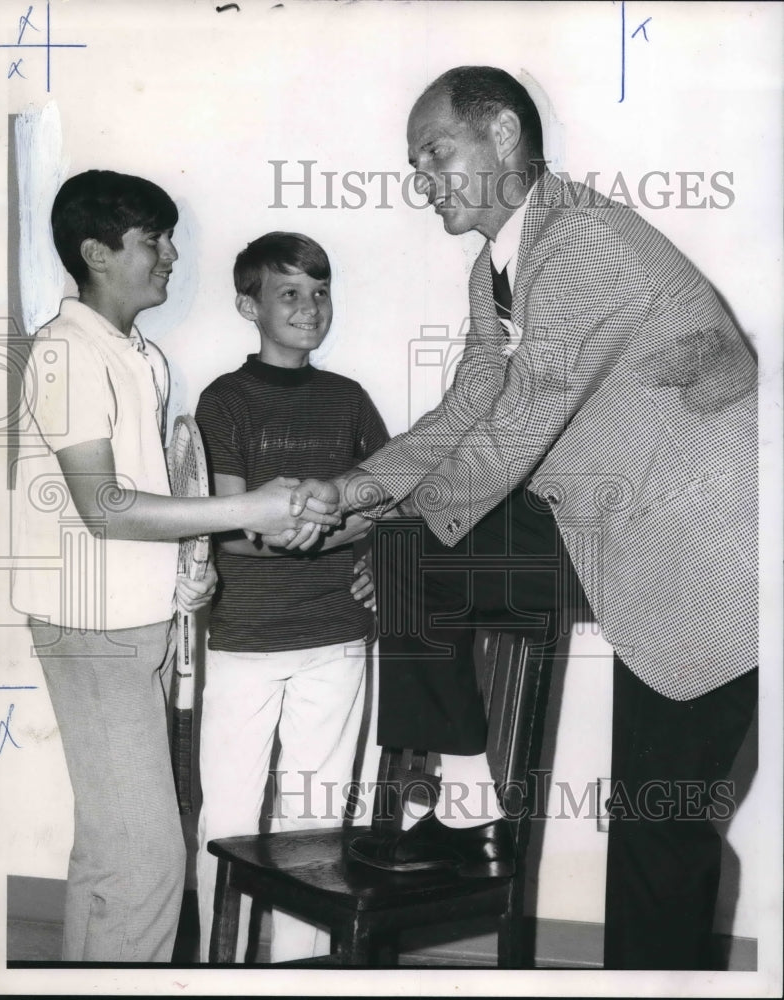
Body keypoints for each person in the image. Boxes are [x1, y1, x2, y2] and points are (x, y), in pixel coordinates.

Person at [286, 66, 758, 970]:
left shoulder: (580, 243)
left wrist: (399, 525)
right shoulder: (495, 271)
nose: (422, 180)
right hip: (612, 528)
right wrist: (356, 499)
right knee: (411, 550)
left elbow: (515, 429)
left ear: (502, 132)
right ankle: (473, 814)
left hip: (713, 561)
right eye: (414, 163)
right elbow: (466, 411)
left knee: (658, 826)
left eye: (436, 153)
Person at [10, 172, 339, 964]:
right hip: (90, 627)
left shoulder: (140, 357)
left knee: (111, 850)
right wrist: (249, 510)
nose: (170, 254)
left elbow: (145, 508)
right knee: (150, 862)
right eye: (151, 240)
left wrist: (185, 572)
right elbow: (105, 508)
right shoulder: (63, 353)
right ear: (96, 253)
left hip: (138, 621)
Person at [193, 231, 389, 964]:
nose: (309, 307)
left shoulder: (348, 400)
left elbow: (386, 500)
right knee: (234, 816)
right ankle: (223, 964)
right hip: (246, 639)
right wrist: (322, 534)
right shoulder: (224, 401)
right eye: (289, 294)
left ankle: (304, 968)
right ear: (249, 306)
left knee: (317, 820)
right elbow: (227, 527)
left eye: (319, 291)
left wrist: (367, 551)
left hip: (335, 637)